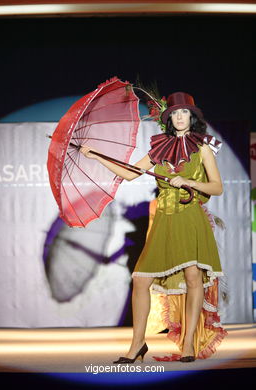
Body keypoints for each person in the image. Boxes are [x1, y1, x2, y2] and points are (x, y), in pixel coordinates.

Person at [80, 91, 227, 363]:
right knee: (140, 280)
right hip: (164, 220)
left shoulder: (203, 147)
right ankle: (137, 345)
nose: (180, 117)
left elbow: (217, 187)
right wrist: (97, 157)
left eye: (184, 112)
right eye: (175, 113)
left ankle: (188, 345)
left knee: (193, 279)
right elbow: (128, 172)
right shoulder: (160, 148)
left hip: (189, 217)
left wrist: (190, 182)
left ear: (192, 117)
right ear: (168, 118)